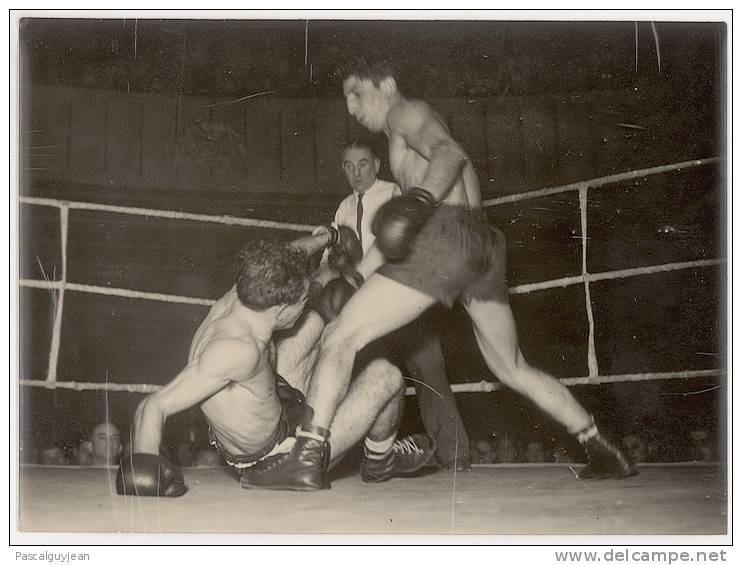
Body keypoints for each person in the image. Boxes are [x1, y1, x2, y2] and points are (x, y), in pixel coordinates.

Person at [241, 56, 637, 490]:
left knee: (340, 337)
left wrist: (419, 201)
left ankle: (305, 457)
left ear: (386, 83)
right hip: (479, 245)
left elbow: (450, 155)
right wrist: (355, 277)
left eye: (356, 93)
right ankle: (601, 445)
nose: (351, 108)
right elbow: (401, 235)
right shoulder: (402, 130)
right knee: (511, 365)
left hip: (443, 234)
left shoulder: (404, 112)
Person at [116, 232, 436, 496]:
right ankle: (380, 460)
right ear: (281, 307)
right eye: (299, 300)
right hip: (275, 457)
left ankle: (326, 413)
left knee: (315, 321)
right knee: (386, 376)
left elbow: (283, 256)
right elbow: (154, 405)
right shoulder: (234, 351)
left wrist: (328, 236)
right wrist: (143, 467)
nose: (303, 303)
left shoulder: (241, 295)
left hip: (276, 404)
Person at [331, 136, 470, 470]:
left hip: (401, 293)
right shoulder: (343, 208)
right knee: (363, 378)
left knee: (427, 368)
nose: (356, 172)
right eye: (349, 166)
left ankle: (455, 455)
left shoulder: (395, 194)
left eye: (362, 163)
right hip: (363, 304)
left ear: (377, 165)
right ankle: (358, 457)